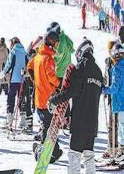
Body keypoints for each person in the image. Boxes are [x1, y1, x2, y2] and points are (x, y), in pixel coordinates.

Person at [49, 39, 103, 173]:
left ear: (80, 52)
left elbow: (71, 91)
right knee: (89, 155)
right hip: (92, 123)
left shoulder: (80, 68)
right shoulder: (98, 71)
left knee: (74, 155)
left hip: (79, 121)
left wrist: (54, 100)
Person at [27, 31, 62, 163]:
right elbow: (51, 77)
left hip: (39, 98)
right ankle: (45, 150)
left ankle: (54, 150)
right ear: (51, 42)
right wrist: (60, 85)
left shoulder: (38, 56)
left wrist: (35, 79)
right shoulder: (48, 59)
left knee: (48, 125)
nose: (57, 46)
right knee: (49, 127)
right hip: (48, 99)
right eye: (56, 43)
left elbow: (29, 66)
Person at [103, 43, 124, 163]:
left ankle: (122, 152)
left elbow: (115, 88)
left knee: (122, 128)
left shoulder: (117, 68)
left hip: (121, 102)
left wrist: (103, 89)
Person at [0, 37, 26, 130]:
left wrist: (3, 72)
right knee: (21, 99)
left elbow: (9, 64)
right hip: (22, 79)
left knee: (10, 98)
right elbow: (27, 63)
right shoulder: (24, 52)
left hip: (14, 79)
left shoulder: (13, 52)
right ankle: (23, 121)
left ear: (13, 43)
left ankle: (9, 120)